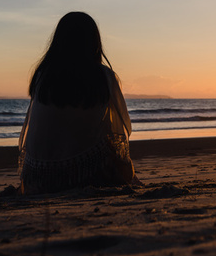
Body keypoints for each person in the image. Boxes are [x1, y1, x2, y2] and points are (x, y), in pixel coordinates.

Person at [18, 12, 137, 194]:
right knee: (110, 137)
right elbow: (120, 129)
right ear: (94, 42)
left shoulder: (43, 76)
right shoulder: (103, 77)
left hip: (38, 177)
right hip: (81, 175)